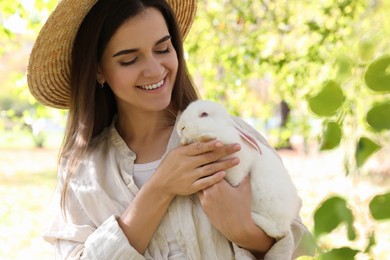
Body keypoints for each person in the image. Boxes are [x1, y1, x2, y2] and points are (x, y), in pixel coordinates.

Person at [27, 0, 314, 259]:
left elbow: (300, 243)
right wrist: (160, 187)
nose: (154, 70)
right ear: (99, 70)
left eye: (163, 49)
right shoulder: (82, 171)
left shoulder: (227, 135)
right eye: (129, 59)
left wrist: (245, 232)